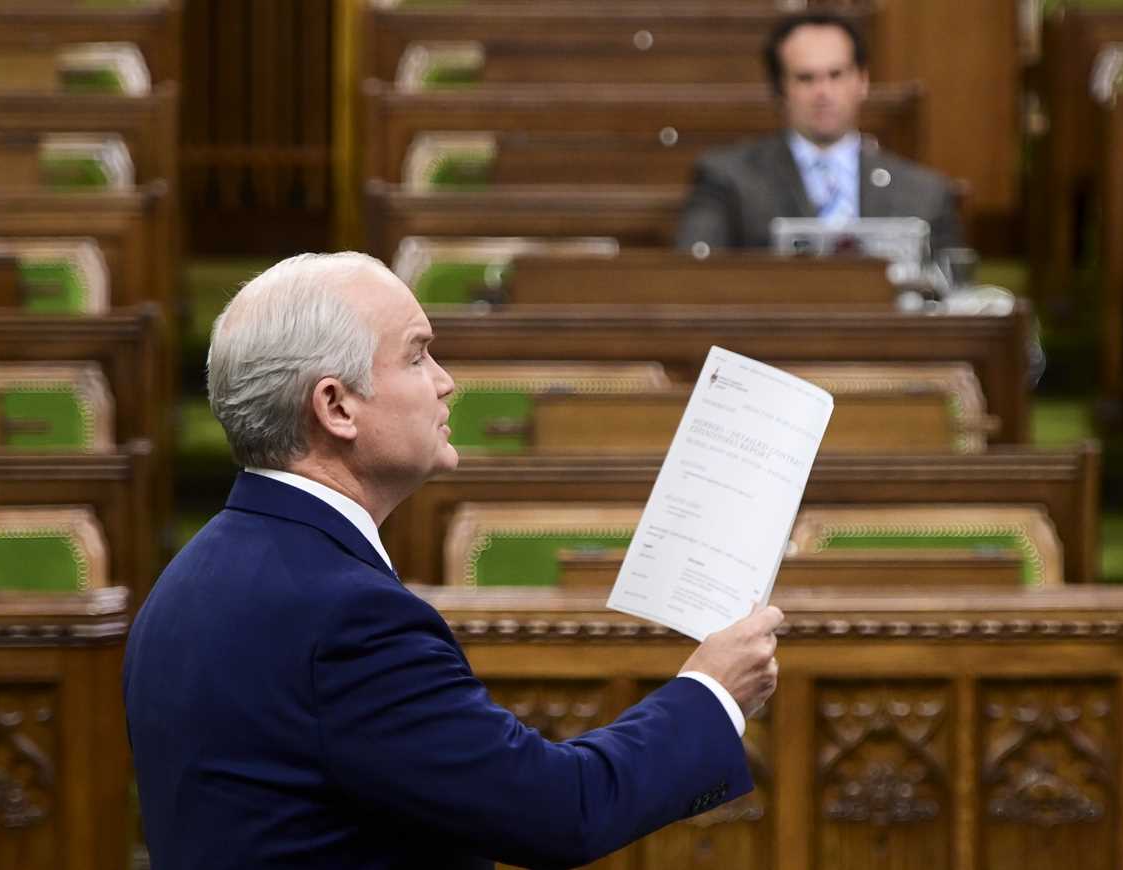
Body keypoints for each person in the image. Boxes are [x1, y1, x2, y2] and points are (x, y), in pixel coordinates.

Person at [123, 252, 784, 869]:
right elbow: (562, 810)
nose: (446, 383)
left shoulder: (187, 579)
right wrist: (714, 692)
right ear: (335, 405)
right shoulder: (348, 619)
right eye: (417, 357)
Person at [676, 12, 964, 254]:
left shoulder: (924, 193)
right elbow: (698, 277)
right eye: (806, 78)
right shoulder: (728, 181)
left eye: (836, 75)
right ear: (780, 90)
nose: (823, 92)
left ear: (862, 80)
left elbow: (953, 296)